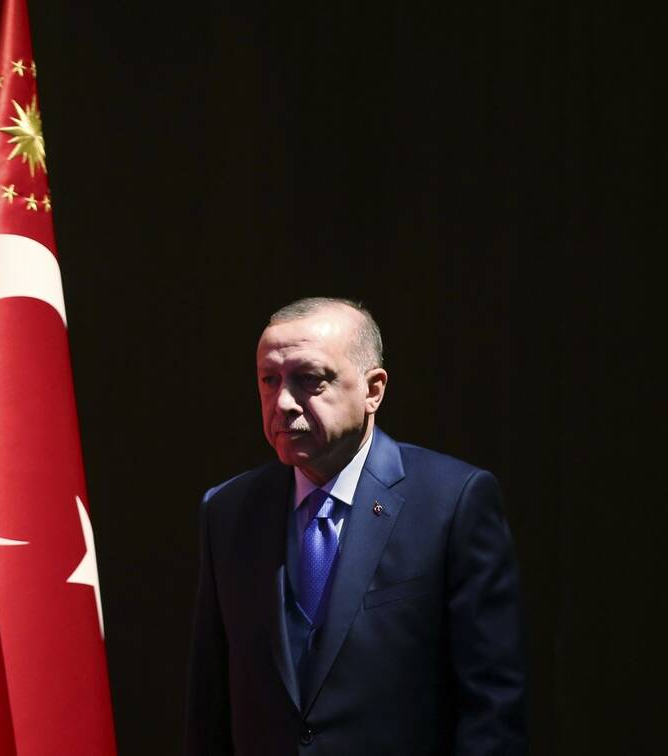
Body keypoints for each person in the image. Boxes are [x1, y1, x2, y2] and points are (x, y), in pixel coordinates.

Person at [186, 297, 526, 755]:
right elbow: (210, 704)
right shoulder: (228, 510)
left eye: (309, 379)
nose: (283, 402)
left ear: (373, 390)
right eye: (269, 380)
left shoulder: (451, 502)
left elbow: (492, 707)